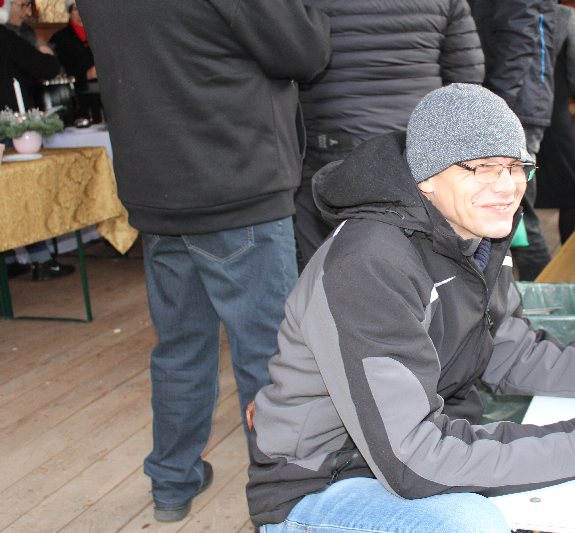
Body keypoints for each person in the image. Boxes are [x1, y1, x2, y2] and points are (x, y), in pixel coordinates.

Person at [246, 83, 575, 532]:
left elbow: (511, 352)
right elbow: (412, 458)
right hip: (322, 485)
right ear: (426, 178)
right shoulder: (368, 263)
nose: (508, 186)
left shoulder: (474, 233)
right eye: (483, 167)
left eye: (515, 166)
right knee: (475, 524)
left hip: (405, 453)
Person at [77, 0, 331, 522]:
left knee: (180, 347)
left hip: (157, 186)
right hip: (234, 176)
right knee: (269, 352)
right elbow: (303, 50)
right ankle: (283, 493)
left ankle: (172, 479)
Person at [293, 0, 485, 268]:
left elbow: (292, 57)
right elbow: (466, 75)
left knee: (328, 258)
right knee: (426, 253)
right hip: (418, 145)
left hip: (334, 142)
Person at [468, 0, 556, 280]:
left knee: (516, 215)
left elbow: (517, 40)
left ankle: (542, 297)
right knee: (511, 213)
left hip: (514, 104)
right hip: (518, 101)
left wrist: (495, 106)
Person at [0, 25, 76, 281]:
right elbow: (45, 68)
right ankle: (42, 259)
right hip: (12, 126)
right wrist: (45, 53)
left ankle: (8, 259)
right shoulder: (5, 36)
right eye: (21, 6)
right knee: (25, 195)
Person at [534, 1, 575, 244]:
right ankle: (573, 260)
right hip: (552, 117)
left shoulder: (488, 9)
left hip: (502, 115)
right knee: (573, 194)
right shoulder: (562, 16)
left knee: (511, 194)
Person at [49, 2, 101, 121]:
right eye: (76, 9)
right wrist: (85, 75)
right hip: (76, 94)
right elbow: (59, 70)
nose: (80, 13)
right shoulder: (60, 38)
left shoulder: (99, 34)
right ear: (70, 12)